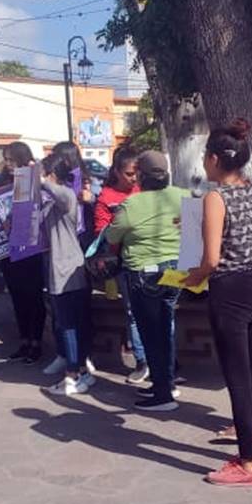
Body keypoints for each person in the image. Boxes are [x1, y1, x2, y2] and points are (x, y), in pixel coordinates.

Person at [184, 121, 252, 486]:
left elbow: (210, 258)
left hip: (230, 292)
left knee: (237, 378)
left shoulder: (216, 198)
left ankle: (246, 462)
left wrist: (191, 278)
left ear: (214, 159)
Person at [104, 150, 186, 411]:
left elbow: (112, 238)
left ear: (141, 176)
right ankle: (167, 382)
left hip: (144, 274)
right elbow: (194, 242)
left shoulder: (131, 205)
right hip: (178, 272)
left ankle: (163, 395)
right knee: (166, 324)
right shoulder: (187, 197)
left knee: (152, 333)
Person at [39, 152, 95, 395]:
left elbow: (61, 192)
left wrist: (39, 180)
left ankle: (72, 376)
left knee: (69, 324)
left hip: (67, 269)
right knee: (73, 323)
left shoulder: (67, 196)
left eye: (43, 173)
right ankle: (81, 371)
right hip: (63, 267)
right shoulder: (51, 201)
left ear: (51, 175)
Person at [93, 146, 149, 383]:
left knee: (162, 312)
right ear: (116, 172)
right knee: (134, 313)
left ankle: (166, 361)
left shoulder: (146, 191)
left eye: (136, 173)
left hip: (153, 260)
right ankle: (142, 360)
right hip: (126, 264)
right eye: (128, 173)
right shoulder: (106, 198)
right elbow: (101, 233)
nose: (133, 178)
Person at [0, 142, 47, 363]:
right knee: (17, 297)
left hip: (32, 249)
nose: (7, 164)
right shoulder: (1, 183)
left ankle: (36, 342)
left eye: (10, 159)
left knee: (34, 297)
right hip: (9, 251)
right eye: (5, 160)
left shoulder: (34, 180)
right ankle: (24, 340)